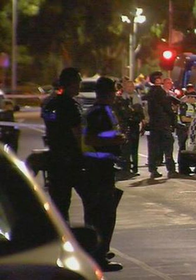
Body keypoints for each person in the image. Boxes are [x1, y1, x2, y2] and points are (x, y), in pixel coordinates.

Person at [82, 76, 126, 272]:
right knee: (103, 215)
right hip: (98, 168)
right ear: (108, 94)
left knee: (103, 212)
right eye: (114, 93)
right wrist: (115, 140)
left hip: (104, 166)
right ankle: (98, 256)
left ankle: (100, 251)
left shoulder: (102, 111)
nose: (116, 96)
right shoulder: (98, 113)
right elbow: (91, 138)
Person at [41, 67, 85, 221]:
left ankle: (60, 234)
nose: (80, 85)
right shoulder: (69, 105)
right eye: (78, 82)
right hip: (71, 159)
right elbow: (77, 133)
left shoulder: (51, 103)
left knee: (60, 205)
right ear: (71, 83)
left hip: (55, 158)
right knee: (92, 198)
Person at [143, 71, 179, 179]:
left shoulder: (150, 92)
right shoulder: (160, 92)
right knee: (168, 146)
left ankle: (153, 169)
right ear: (157, 79)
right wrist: (173, 117)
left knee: (154, 147)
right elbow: (166, 107)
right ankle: (171, 170)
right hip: (163, 123)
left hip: (154, 124)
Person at [113, 78, 145, 178]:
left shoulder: (137, 97)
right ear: (124, 87)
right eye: (128, 86)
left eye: (132, 86)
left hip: (134, 125)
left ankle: (134, 168)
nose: (131, 88)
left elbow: (140, 113)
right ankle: (126, 168)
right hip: (125, 126)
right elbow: (122, 113)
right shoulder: (120, 99)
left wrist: (141, 122)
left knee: (134, 148)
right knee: (126, 148)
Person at [177, 86, 196, 175]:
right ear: (189, 97)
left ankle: (187, 167)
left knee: (188, 148)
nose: (195, 100)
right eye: (194, 98)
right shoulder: (184, 105)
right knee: (183, 148)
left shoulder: (194, 106)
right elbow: (183, 118)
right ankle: (182, 168)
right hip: (183, 129)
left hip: (190, 129)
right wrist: (195, 120)